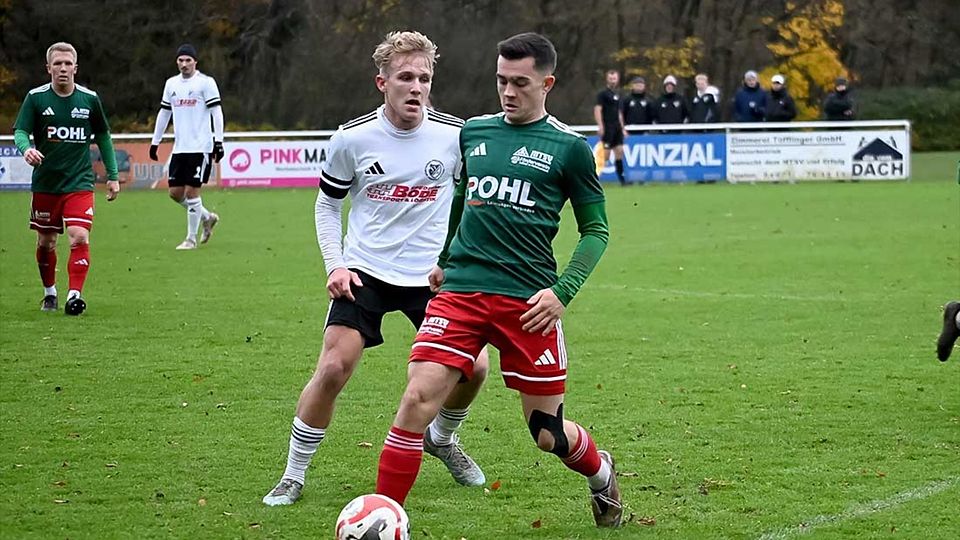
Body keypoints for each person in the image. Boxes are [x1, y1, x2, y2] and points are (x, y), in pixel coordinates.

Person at [375, 32, 623, 528]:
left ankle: (602, 475)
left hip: (528, 302)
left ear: (547, 83)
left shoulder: (570, 149)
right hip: (461, 292)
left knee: (548, 433)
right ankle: (386, 519)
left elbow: (597, 231)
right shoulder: (475, 133)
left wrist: (562, 291)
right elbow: (463, 201)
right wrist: (446, 257)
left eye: (520, 83)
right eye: (501, 81)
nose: (507, 92)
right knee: (416, 399)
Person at [262, 31, 488, 507]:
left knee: (477, 368)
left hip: (431, 277)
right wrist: (335, 265)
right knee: (333, 368)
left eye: (424, 78)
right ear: (381, 82)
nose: (416, 87)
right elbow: (327, 206)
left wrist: (458, 262)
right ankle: (293, 474)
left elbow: (470, 203)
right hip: (365, 270)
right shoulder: (352, 138)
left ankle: (442, 439)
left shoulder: (455, 136)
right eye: (405, 77)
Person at [12, 42, 120, 316]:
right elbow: (21, 131)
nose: (63, 68)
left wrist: (113, 175)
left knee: (79, 236)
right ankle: (50, 293)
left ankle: (74, 295)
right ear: (48, 68)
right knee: (46, 242)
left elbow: (103, 136)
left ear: (75, 68)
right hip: (47, 184)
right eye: (57, 63)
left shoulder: (89, 99)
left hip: (79, 183)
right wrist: (27, 149)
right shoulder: (36, 98)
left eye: (67, 63)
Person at [149, 44, 223, 250]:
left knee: (192, 193)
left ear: (195, 61)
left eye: (188, 60)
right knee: (175, 193)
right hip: (180, 148)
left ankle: (190, 239)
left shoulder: (205, 83)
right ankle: (207, 217)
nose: (184, 64)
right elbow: (164, 113)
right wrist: (155, 141)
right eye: (180, 60)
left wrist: (219, 141)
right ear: (177, 62)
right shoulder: (171, 84)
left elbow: (217, 112)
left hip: (201, 147)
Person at [594, 69, 628, 185]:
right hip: (608, 127)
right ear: (607, 79)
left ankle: (622, 181)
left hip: (617, 128)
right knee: (606, 155)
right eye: (610, 78)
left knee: (620, 151)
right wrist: (600, 125)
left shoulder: (618, 95)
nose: (613, 80)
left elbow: (619, 112)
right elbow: (598, 109)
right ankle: (594, 180)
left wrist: (622, 128)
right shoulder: (603, 94)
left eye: (614, 78)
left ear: (617, 79)